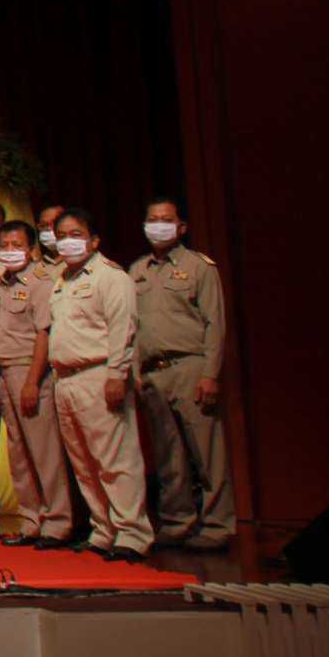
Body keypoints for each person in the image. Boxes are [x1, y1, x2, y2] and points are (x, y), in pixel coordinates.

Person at [129, 196, 232, 550]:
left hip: (190, 366)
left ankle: (217, 526)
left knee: (206, 453)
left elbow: (215, 323)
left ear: (182, 227)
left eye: (166, 219)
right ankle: (177, 521)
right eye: (152, 219)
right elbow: (131, 326)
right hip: (153, 372)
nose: (158, 225)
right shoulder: (138, 270)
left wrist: (211, 374)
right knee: (168, 454)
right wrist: (134, 371)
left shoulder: (199, 267)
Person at [48, 209, 151, 560]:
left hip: (98, 373)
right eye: (61, 236)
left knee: (115, 459)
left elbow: (123, 328)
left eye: (76, 234)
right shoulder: (61, 279)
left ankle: (132, 532)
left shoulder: (111, 277)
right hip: (65, 379)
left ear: (94, 240)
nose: (67, 241)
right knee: (84, 463)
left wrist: (116, 374)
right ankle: (103, 529)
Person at [0, 219, 72, 549]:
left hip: (29, 371)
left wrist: (33, 381)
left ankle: (58, 522)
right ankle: (31, 519)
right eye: (4, 245)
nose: (9, 251)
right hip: (2, 373)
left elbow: (43, 334)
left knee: (44, 451)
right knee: (18, 453)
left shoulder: (41, 282)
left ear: (31, 248)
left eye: (16, 245)